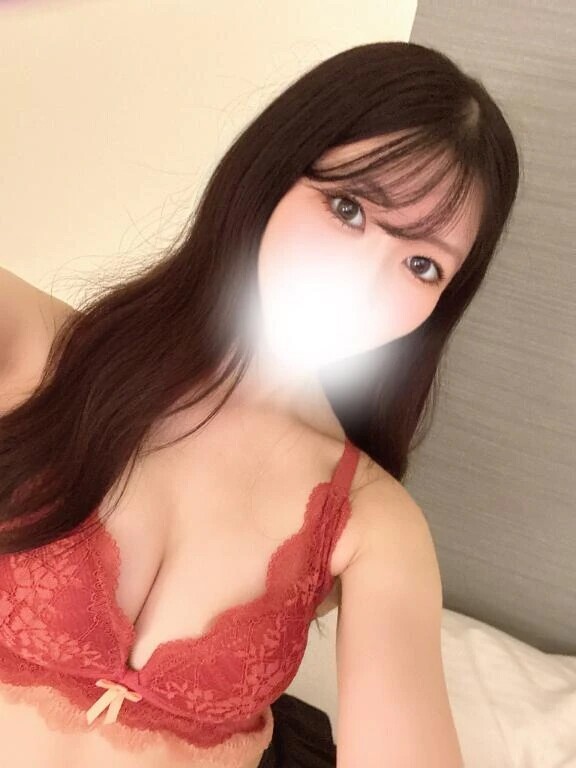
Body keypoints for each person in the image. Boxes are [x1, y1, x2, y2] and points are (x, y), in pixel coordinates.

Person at [0, 41, 519, 768]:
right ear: (269, 176)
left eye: (421, 264)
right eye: (348, 208)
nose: (365, 281)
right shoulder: (37, 350)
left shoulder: (373, 522)